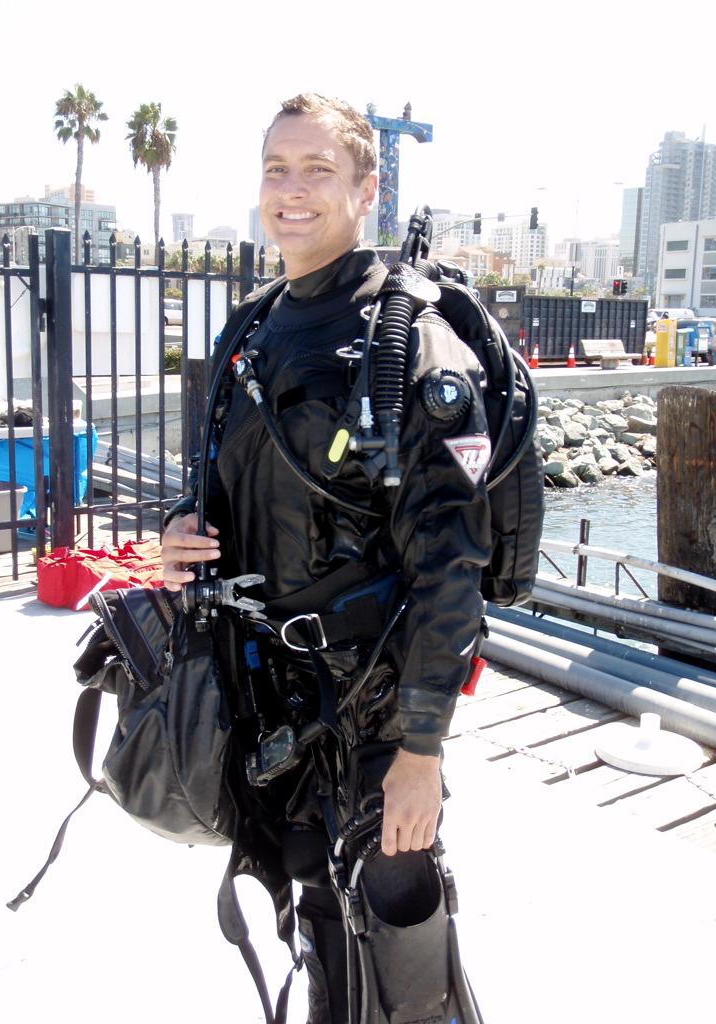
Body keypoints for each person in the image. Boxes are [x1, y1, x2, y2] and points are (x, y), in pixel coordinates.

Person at [160, 93, 491, 1023]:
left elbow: (453, 570)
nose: (292, 191)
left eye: (318, 170)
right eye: (277, 168)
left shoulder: (411, 344)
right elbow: (218, 488)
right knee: (312, 912)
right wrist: (180, 531)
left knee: (400, 939)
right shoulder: (250, 328)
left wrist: (420, 755)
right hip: (271, 702)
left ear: (365, 187)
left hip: (378, 709)